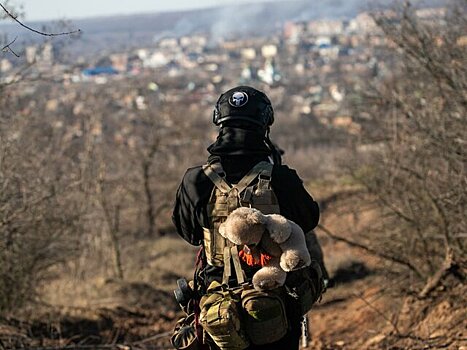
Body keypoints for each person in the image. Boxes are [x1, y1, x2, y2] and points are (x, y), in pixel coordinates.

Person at [172, 86, 327, 350]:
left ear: (218, 122)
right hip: (274, 301)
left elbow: (189, 234)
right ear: (265, 124)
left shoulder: (194, 180)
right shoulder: (282, 178)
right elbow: (309, 220)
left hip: (218, 306)